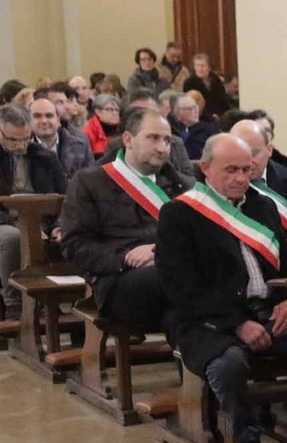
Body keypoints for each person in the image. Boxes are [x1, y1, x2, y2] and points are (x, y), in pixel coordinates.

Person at [155, 134, 287, 443]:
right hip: (207, 319)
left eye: (247, 170)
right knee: (229, 364)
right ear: (205, 169)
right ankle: (247, 442)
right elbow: (181, 288)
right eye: (230, 170)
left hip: (268, 310)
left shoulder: (262, 207)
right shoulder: (179, 213)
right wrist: (238, 323)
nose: (240, 178)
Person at [60, 107, 191, 326]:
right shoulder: (91, 181)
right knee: (179, 277)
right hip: (117, 280)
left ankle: (207, 354)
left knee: (182, 306)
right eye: (153, 138)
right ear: (128, 139)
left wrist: (157, 251)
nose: (162, 148)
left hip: (172, 274)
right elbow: (75, 246)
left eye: (167, 141)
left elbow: (197, 238)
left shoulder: (184, 185)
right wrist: (125, 257)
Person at [0, 104, 68, 320]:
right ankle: (15, 306)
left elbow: (66, 197)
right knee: (14, 238)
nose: (20, 145)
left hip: (43, 222)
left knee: (74, 234)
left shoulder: (45, 157)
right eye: (12, 140)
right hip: (5, 222)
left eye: (26, 139)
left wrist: (60, 225)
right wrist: (24, 226)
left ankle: (72, 306)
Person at [230, 119, 287, 238]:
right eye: (240, 153)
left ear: (269, 150)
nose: (248, 162)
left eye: (254, 153)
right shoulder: (222, 183)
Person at [98, 91, 194, 177]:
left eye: (152, 113)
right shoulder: (117, 145)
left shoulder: (175, 143)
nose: (161, 148)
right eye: (140, 114)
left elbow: (188, 177)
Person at [29, 97, 90, 179]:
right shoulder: (23, 149)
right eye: (37, 116)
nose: (44, 121)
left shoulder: (80, 146)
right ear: (29, 121)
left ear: (58, 120)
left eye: (49, 116)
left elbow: (89, 180)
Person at [182, 54, 230, 119]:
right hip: (199, 116)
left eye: (202, 66)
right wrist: (209, 115)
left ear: (209, 67)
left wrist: (220, 114)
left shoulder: (216, 80)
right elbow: (190, 104)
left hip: (219, 114)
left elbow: (223, 100)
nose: (200, 68)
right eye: (197, 66)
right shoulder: (189, 82)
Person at [171, 94, 216, 161]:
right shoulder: (171, 130)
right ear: (178, 112)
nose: (195, 111)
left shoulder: (209, 130)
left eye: (195, 107)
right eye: (189, 109)